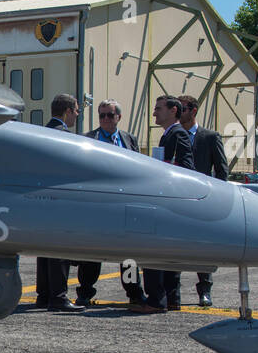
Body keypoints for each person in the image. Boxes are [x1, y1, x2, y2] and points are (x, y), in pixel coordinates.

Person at [131, 96, 194, 313]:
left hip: (168, 201)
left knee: (155, 251)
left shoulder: (177, 134)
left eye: (158, 109)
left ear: (173, 110)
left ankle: (157, 299)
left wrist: (162, 166)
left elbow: (186, 166)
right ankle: (171, 298)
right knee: (168, 254)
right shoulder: (171, 134)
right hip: (171, 201)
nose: (155, 113)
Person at [82, 99, 145, 306]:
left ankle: (134, 292)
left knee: (128, 254)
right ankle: (85, 292)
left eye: (110, 115)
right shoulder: (89, 139)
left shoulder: (129, 139)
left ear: (119, 117)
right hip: (99, 204)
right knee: (91, 252)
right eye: (102, 115)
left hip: (124, 203)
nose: (105, 119)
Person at [36, 94, 85, 312]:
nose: (77, 114)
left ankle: (44, 294)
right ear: (67, 111)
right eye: (76, 110)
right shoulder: (66, 137)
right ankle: (58, 296)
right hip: (61, 200)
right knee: (59, 250)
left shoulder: (41, 133)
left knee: (44, 250)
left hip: (42, 199)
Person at [178, 94, 228, 307]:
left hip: (201, 200)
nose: (178, 113)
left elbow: (222, 170)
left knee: (202, 249)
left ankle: (204, 290)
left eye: (182, 108)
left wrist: (214, 195)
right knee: (174, 247)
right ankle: (173, 293)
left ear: (193, 110)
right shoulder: (173, 134)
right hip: (177, 199)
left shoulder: (209, 137)